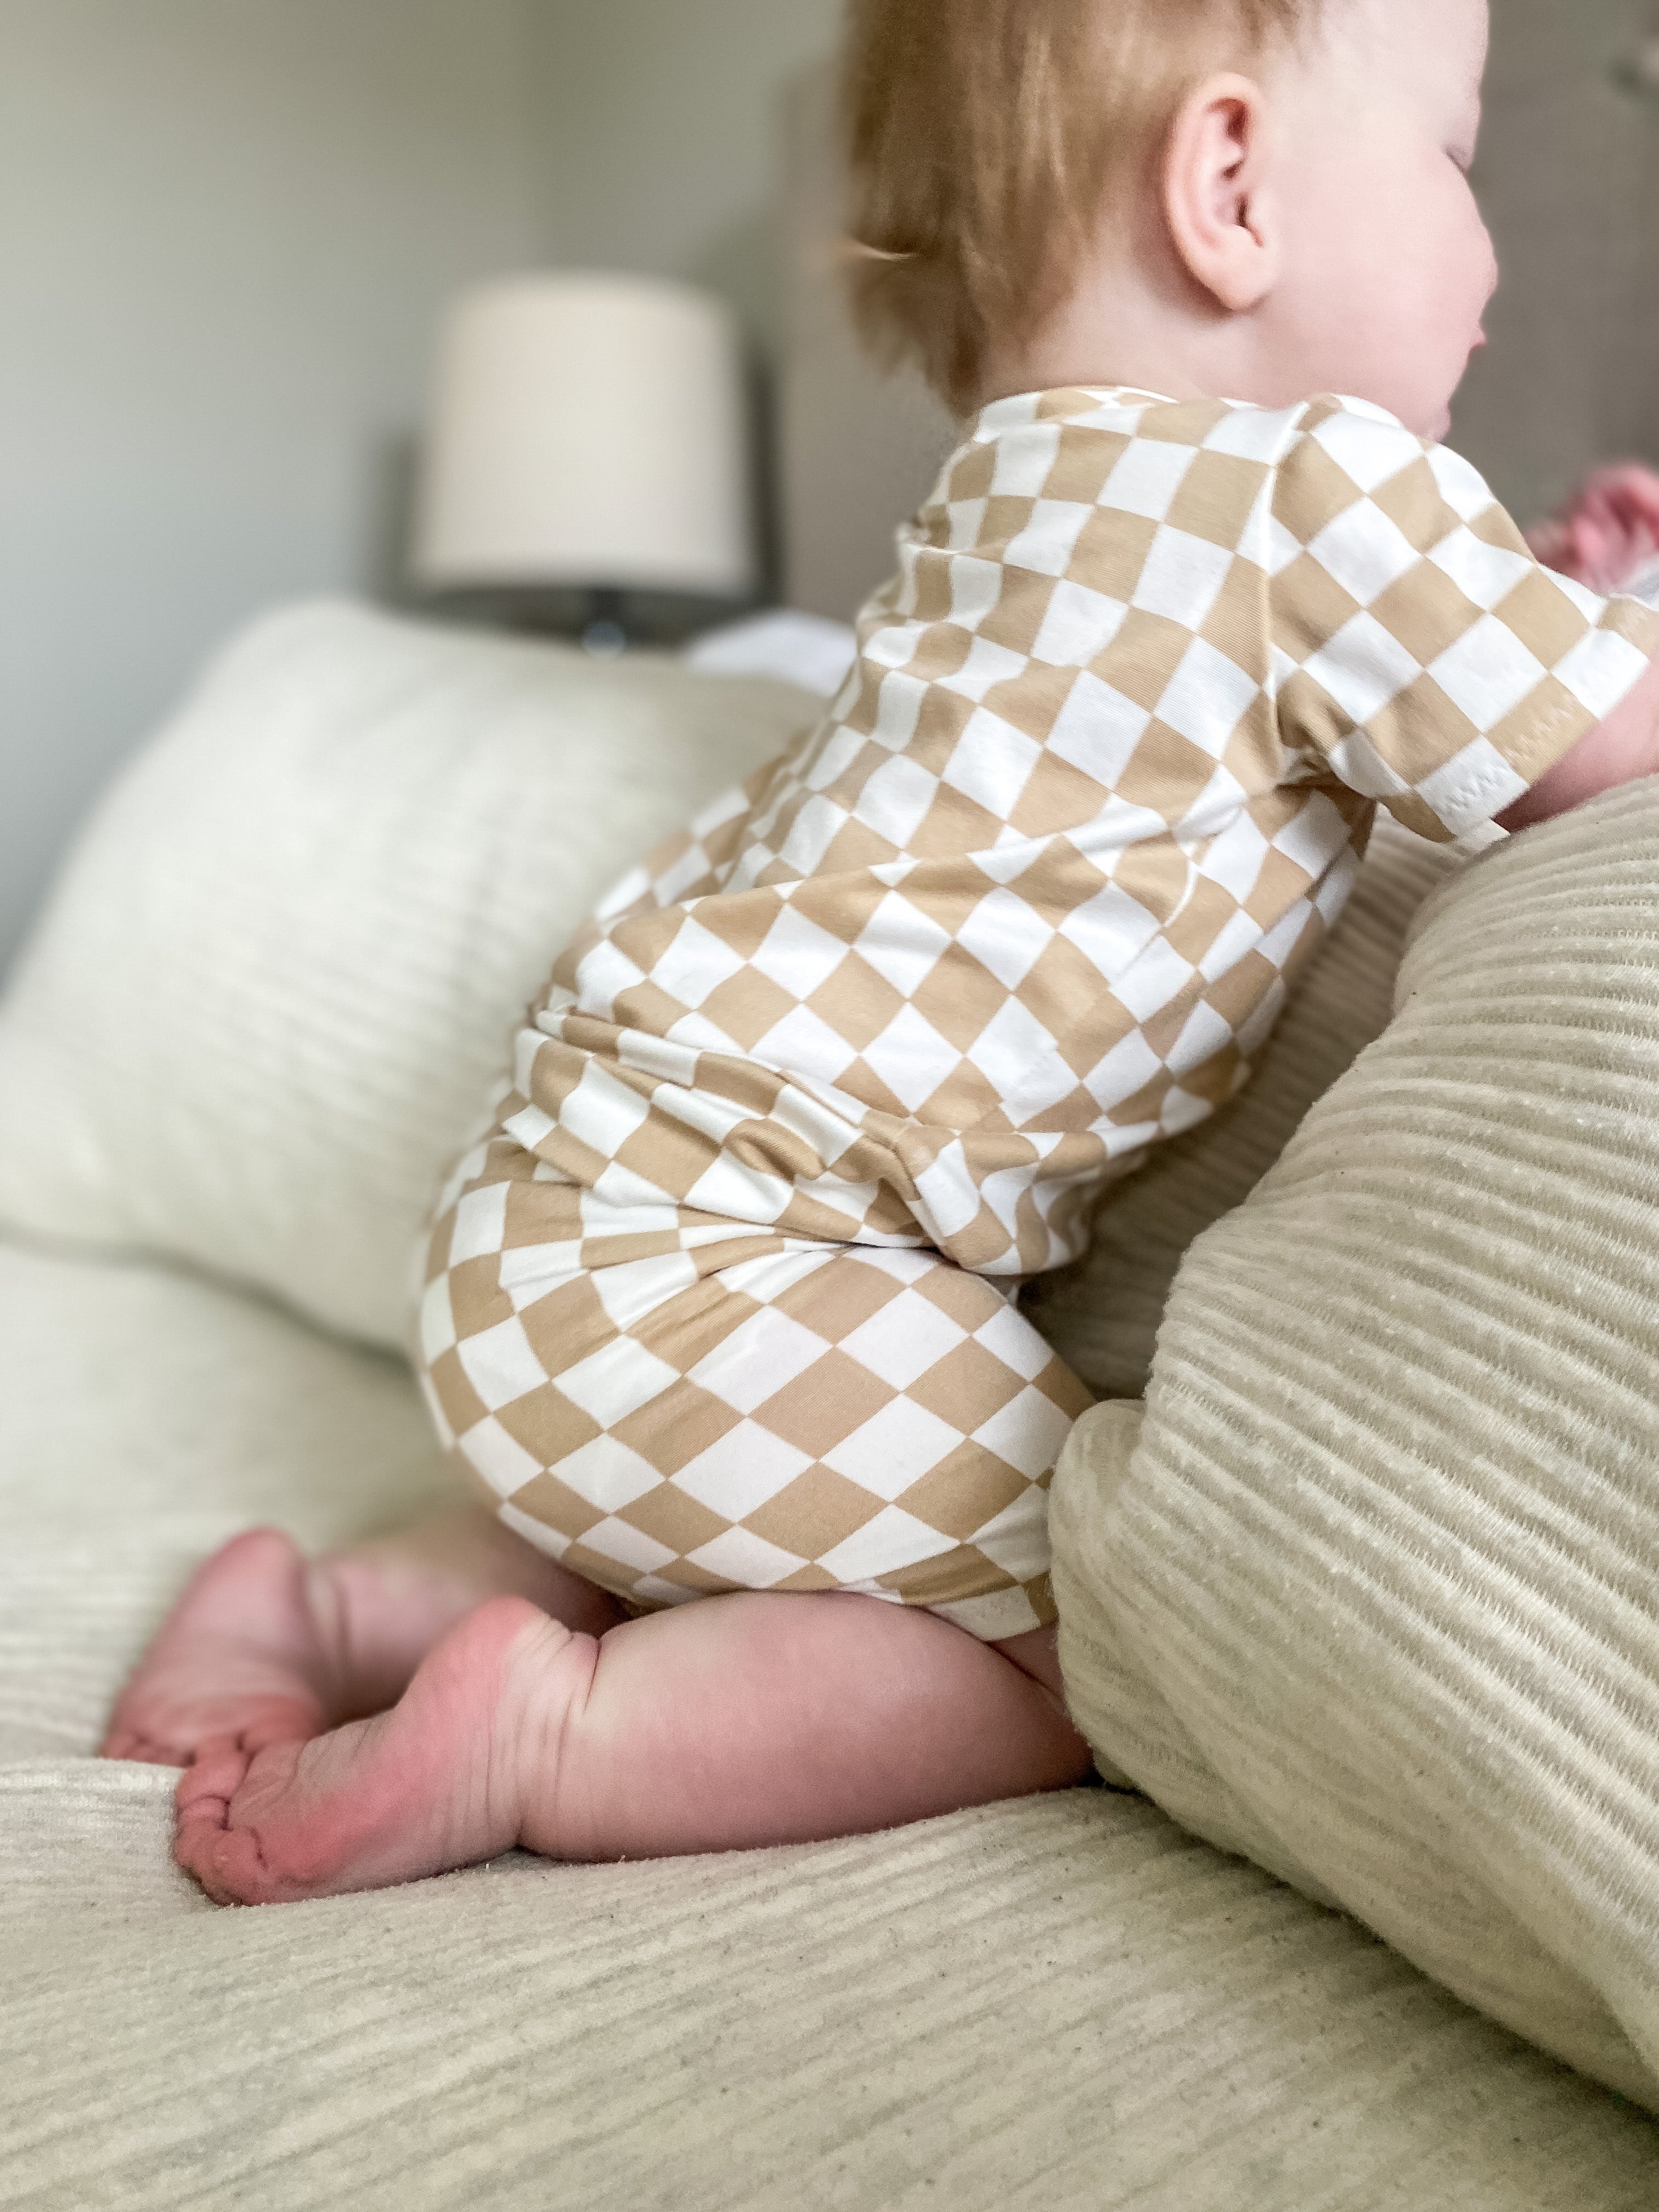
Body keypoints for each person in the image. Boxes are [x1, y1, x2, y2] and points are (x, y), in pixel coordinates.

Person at [105, 0, 1659, 1905]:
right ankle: (554, 1737)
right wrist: (1609, 630)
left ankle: (321, 1602)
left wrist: (1560, 591)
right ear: (1232, 184)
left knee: (713, 1496)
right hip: (749, 1264)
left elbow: (1345, 691)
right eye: (1457, 155)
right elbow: (1588, 752)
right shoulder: (1321, 492)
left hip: (549, 1230)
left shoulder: (996, 515)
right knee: (1095, 1640)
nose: (1485, 246)